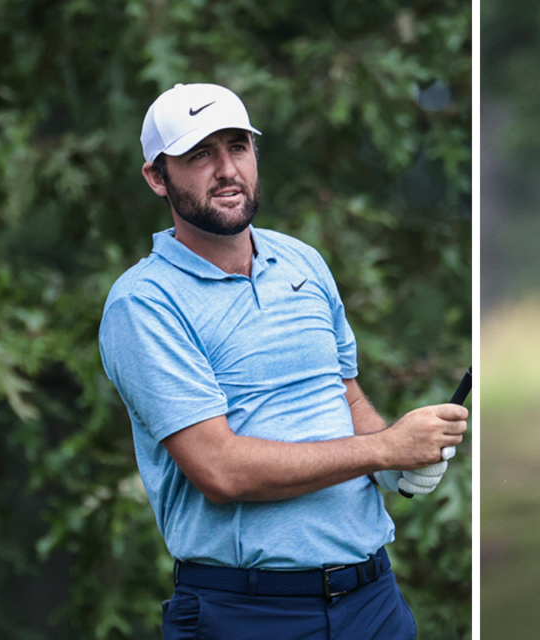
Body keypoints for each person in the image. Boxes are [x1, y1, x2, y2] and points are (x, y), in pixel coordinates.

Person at [98, 83, 468, 639]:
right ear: (157, 176)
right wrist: (383, 448)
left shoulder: (302, 260)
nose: (226, 169)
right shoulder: (144, 302)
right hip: (248, 612)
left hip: (373, 602)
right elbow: (219, 470)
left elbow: (340, 392)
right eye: (200, 154)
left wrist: (397, 466)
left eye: (238, 147)